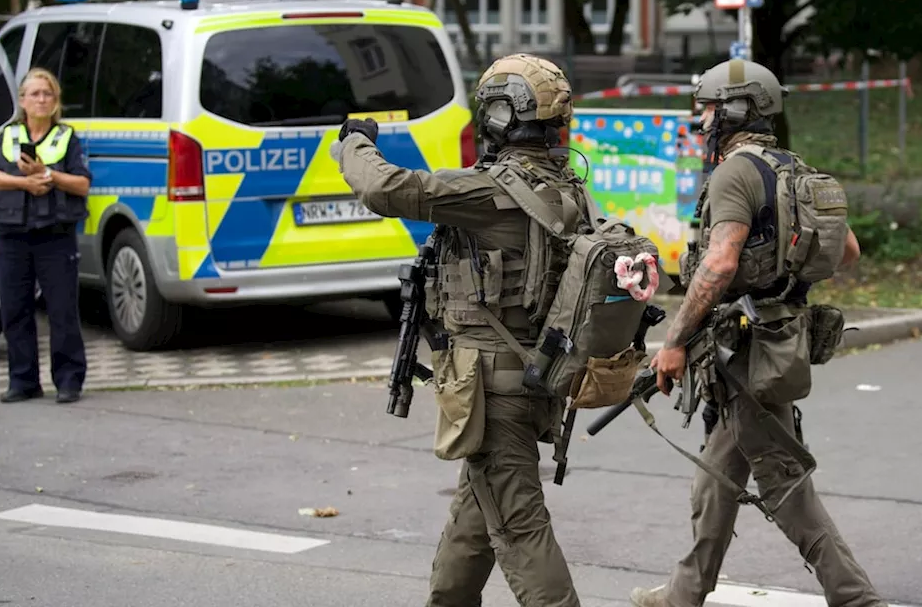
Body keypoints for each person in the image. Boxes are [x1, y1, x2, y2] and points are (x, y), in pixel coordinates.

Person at [629, 59, 887, 607]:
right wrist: (784, 278)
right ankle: (685, 590)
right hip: (778, 340)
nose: (701, 122)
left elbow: (718, 265)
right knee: (718, 474)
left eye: (709, 110)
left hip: (743, 351)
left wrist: (673, 341)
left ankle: (856, 597)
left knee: (784, 482)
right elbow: (848, 250)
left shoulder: (735, 172)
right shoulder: (794, 168)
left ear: (737, 109)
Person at [331, 53, 586, 606]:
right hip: (532, 376)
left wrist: (354, 141)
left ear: (496, 116)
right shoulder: (565, 190)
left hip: (492, 391)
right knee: (473, 527)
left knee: (519, 529)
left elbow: (386, 189)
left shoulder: (488, 192)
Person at [0, 67, 90, 405]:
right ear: (23, 100)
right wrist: (24, 182)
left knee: (61, 312)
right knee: (15, 311)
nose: (41, 99)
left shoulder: (66, 137)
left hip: (54, 236)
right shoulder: (8, 136)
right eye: (35, 93)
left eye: (48, 94)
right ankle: (23, 381)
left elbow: (83, 184)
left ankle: (69, 381)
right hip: (12, 236)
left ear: (55, 102)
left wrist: (48, 174)